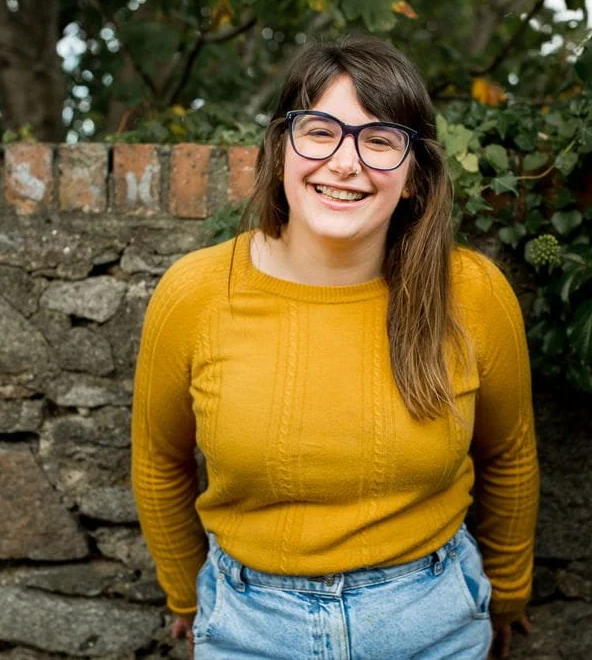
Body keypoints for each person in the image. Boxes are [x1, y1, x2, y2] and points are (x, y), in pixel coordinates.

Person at [131, 36, 539, 659]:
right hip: (249, 629)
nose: (345, 163)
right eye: (320, 132)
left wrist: (507, 594)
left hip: (433, 624)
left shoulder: (473, 293)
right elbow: (159, 463)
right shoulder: (196, 293)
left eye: (379, 141)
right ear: (279, 151)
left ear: (414, 175)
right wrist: (188, 598)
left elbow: (509, 454)